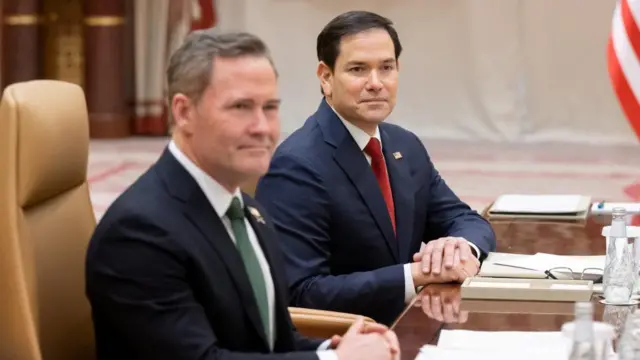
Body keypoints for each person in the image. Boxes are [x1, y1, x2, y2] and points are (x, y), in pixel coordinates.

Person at [85, 29, 400, 360]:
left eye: (270, 107)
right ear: (183, 112)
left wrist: (335, 346)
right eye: (241, 107)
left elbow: (269, 342)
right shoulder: (140, 233)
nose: (262, 127)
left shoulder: (246, 211)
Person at [254, 11, 497, 325]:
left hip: (414, 326)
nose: (375, 83)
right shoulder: (296, 165)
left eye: (386, 67)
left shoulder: (404, 145)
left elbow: (464, 219)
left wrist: (458, 247)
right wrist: (415, 275)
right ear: (325, 77)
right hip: (344, 342)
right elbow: (301, 293)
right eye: (358, 69)